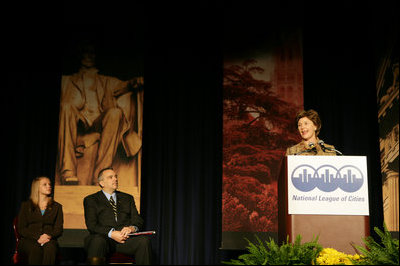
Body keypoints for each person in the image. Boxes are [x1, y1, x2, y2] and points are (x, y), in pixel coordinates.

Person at [56, 42, 144, 185]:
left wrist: (134, 82)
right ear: (80, 55)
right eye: (86, 52)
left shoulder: (105, 80)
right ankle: (68, 171)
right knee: (66, 107)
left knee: (115, 113)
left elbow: (124, 86)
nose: (89, 56)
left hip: (99, 122)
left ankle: (101, 175)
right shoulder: (68, 80)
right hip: (77, 122)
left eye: (92, 53)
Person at [83, 167, 152, 265]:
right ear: (102, 183)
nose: (115, 179)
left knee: (144, 241)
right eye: (110, 177)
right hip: (103, 238)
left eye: (116, 176)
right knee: (97, 241)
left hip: (124, 240)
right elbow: (92, 225)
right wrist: (112, 233)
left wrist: (131, 228)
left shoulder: (127, 198)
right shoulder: (91, 200)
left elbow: (137, 219)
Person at [17, 177, 64, 265]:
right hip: (29, 239)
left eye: (50, 184)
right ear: (37, 187)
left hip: (48, 240)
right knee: (35, 248)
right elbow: (21, 228)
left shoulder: (57, 207)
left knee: (50, 248)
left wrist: (48, 236)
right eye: (45, 184)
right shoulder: (26, 206)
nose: (49, 186)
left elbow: (58, 229)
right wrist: (37, 237)